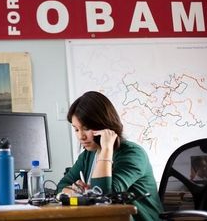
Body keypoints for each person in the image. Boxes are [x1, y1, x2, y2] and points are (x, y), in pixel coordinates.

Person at [57, 91, 162, 221]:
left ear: (103, 125)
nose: (81, 136)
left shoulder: (133, 154)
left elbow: (104, 195)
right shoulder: (87, 155)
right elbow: (62, 185)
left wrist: (106, 148)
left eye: (86, 128)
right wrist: (71, 191)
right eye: (76, 129)